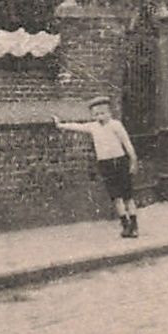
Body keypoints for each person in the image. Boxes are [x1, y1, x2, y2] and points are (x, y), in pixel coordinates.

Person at [55, 96, 141, 238]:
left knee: (127, 196)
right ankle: (125, 224)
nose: (100, 117)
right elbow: (77, 127)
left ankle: (134, 224)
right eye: (96, 114)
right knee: (115, 196)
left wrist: (133, 160)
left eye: (102, 113)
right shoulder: (93, 127)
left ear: (109, 113)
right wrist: (60, 125)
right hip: (105, 164)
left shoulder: (116, 125)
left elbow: (127, 143)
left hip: (119, 162)